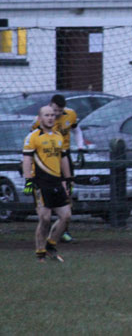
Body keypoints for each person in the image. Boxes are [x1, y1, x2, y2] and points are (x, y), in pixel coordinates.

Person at [31, 94, 86, 243]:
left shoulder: (71, 115)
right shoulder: (41, 121)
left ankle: (63, 230)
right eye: (54, 110)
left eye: (59, 111)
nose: (56, 114)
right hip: (47, 159)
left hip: (64, 156)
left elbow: (76, 130)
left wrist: (80, 146)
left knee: (67, 191)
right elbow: (33, 140)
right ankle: (45, 231)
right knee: (47, 196)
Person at [23, 106, 73, 262]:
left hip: (57, 183)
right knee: (44, 218)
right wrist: (28, 180)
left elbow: (64, 158)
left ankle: (51, 245)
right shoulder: (33, 137)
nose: (50, 118)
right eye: (47, 115)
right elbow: (27, 160)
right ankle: (40, 253)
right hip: (40, 183)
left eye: (52, 115)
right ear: (40, 118)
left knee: (66, 216)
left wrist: (68, 179)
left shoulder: (59, 137)